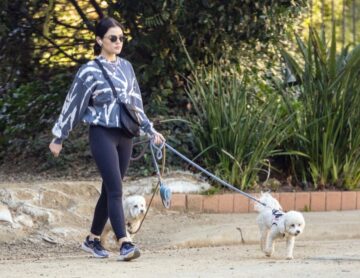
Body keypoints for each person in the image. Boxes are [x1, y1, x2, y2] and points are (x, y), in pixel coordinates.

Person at [49, 17, 165, 261]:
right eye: (113, 38)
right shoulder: (89, 70)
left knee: (109, 189)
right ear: (99, 40)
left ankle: (92, 239)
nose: (118, 42)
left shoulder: (127, 67)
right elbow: (74, 104)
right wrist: (59, 136)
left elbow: (136, 105)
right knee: (116, 189)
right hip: (102, 133)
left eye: (121, 38)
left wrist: (150, 129)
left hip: (125, 134)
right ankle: (125, 243)